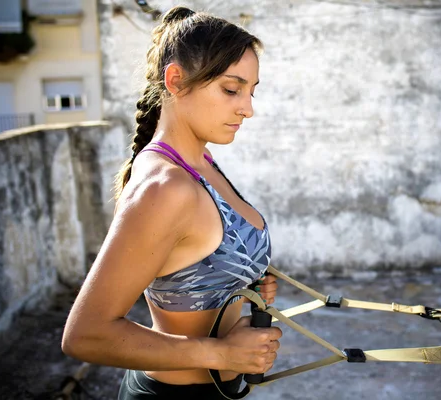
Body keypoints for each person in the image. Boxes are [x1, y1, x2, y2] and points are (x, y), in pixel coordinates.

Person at [61, 7, 282, 399]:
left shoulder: (201, 162)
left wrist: (249, 275)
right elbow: (85, 335)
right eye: (232, 89)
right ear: (176, 81)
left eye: (252, 90)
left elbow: (192, 261)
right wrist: (219, 353)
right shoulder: (165, 188)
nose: (248, 108)